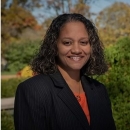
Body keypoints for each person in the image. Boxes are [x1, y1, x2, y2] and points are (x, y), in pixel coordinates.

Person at [14, 13, 116, 130]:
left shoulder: (99, 90)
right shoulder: (33, 90)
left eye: (83, 42)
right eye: (67, 42)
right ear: (54, 46)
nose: (76, 50)